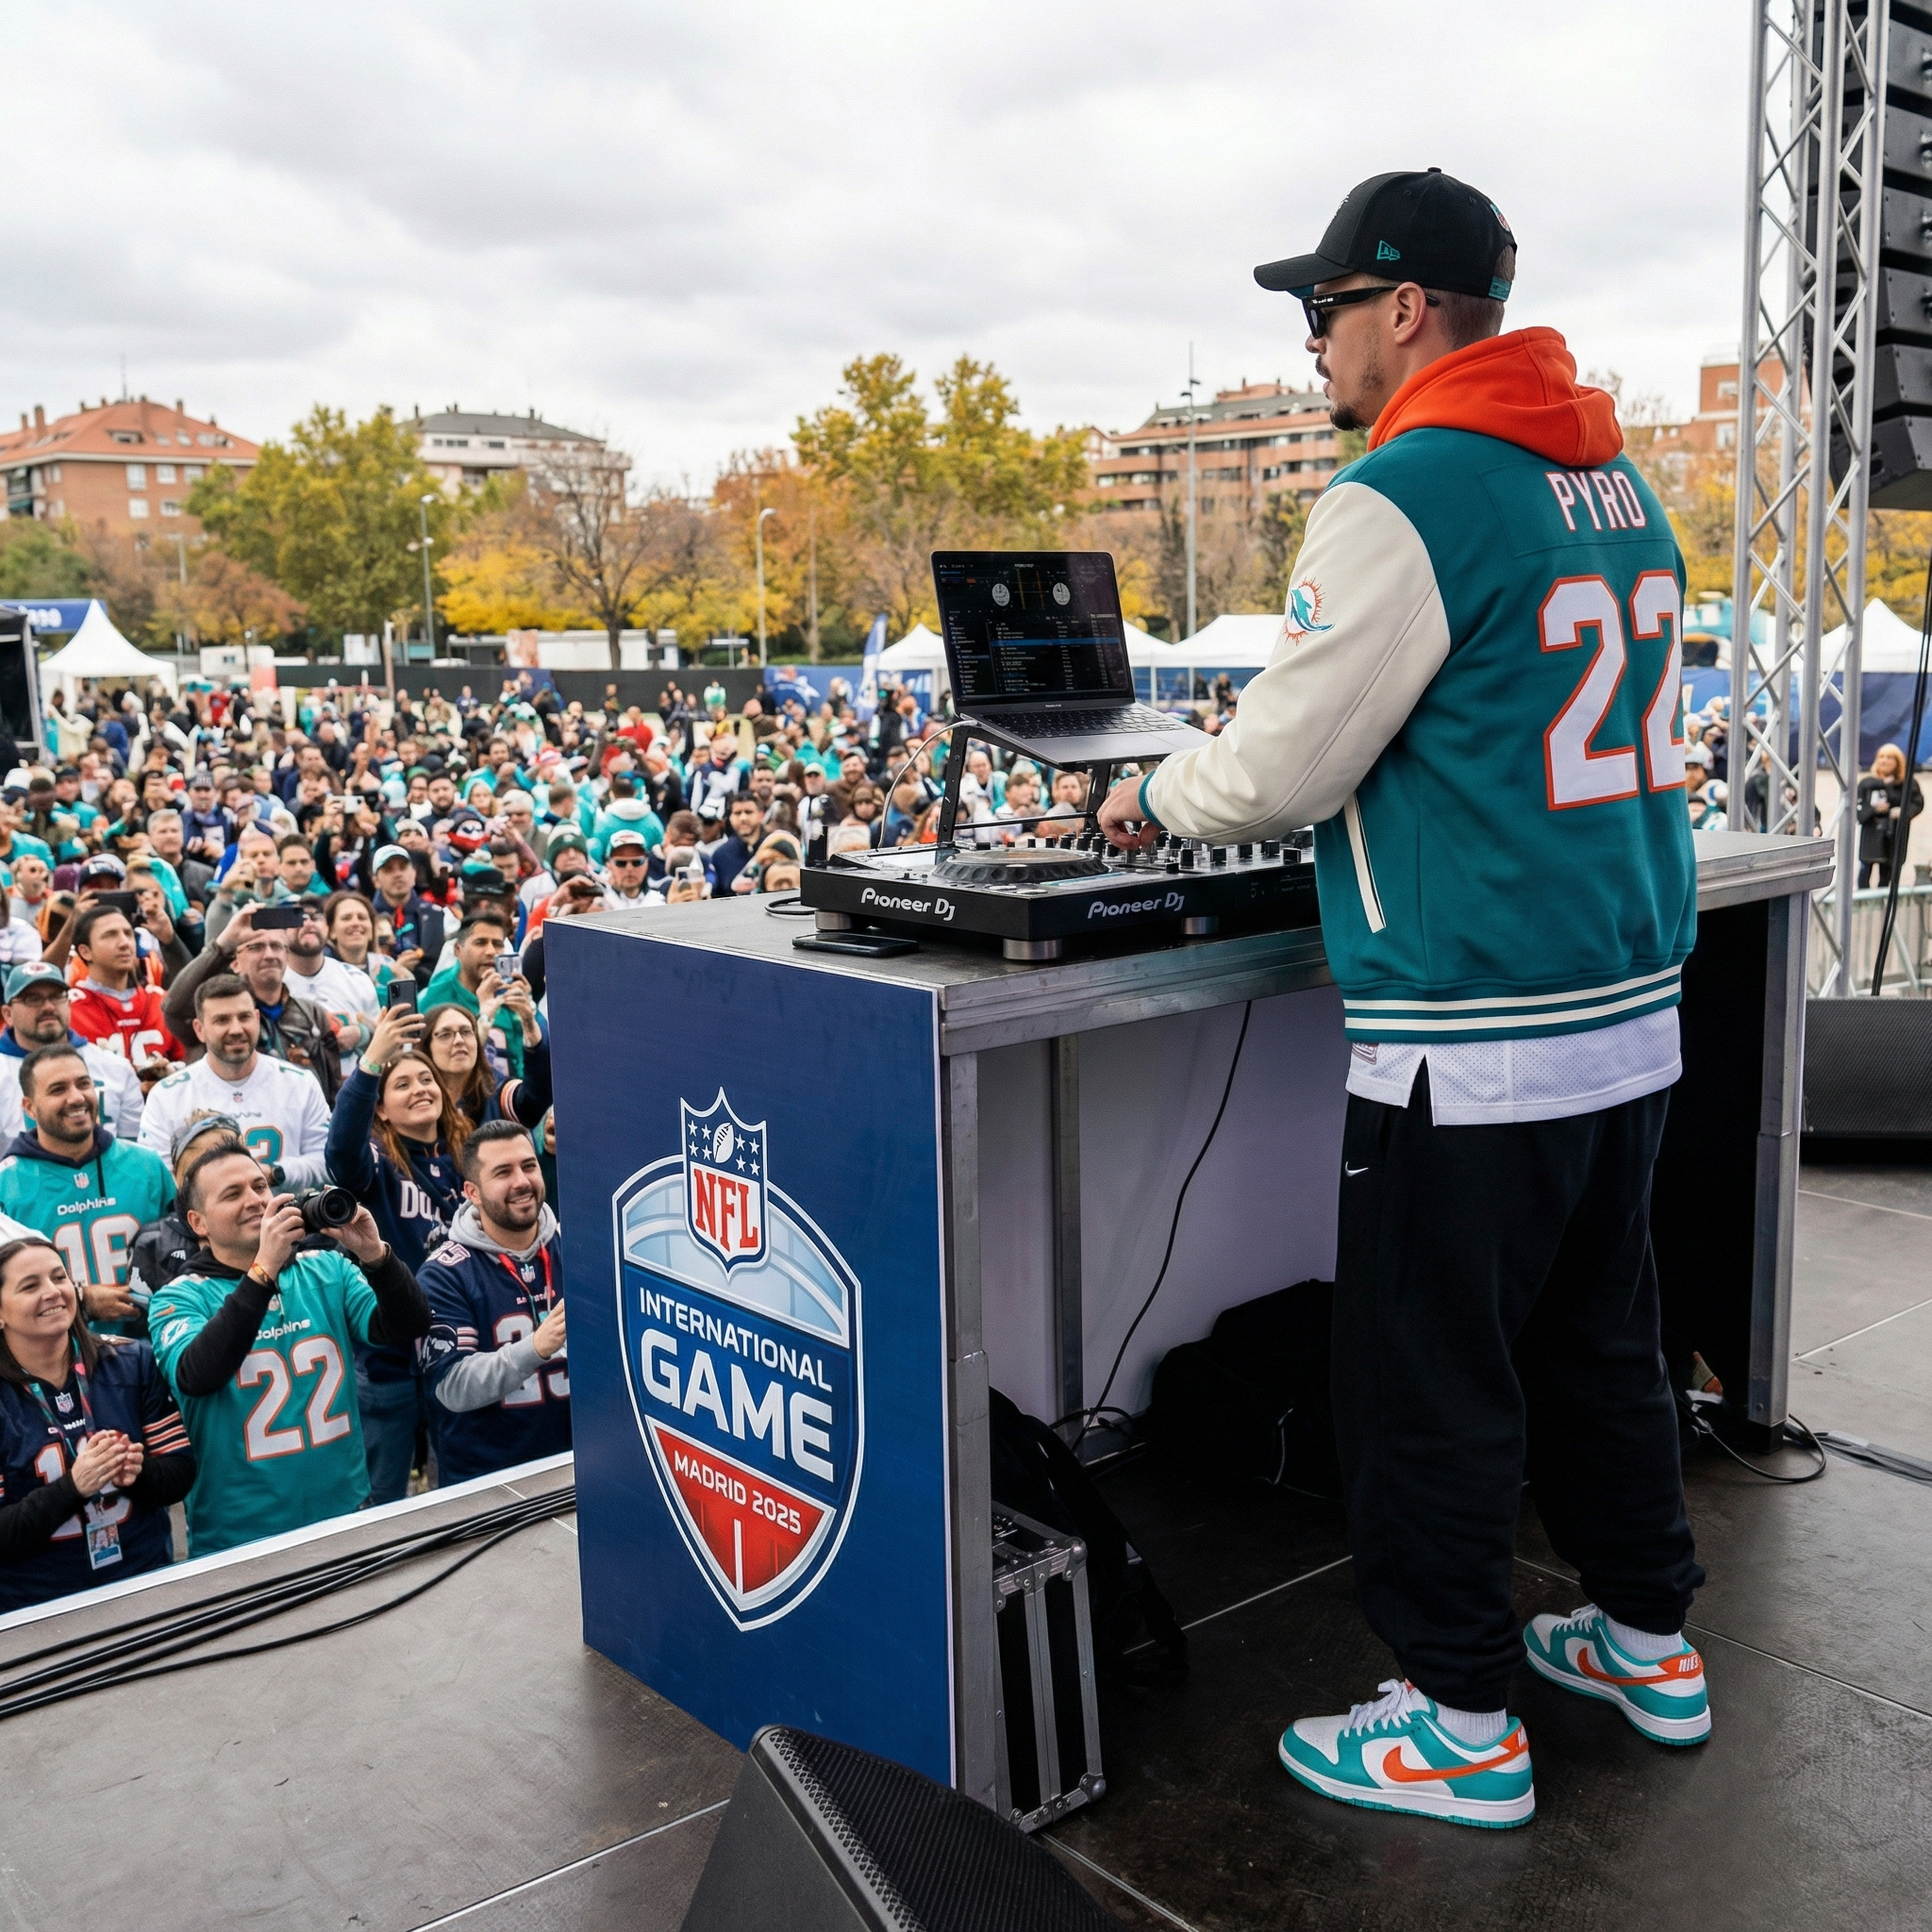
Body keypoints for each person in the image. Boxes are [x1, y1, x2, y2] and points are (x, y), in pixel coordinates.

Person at [1099, 169, 1705, 1829]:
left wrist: (1148, 791)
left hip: (1474, 1031)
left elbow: (1279, 773)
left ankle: (1458, 1721)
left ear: (1409, 311)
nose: (1312, 342)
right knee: (1602, 1344)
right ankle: (1648, 1638)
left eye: (1327, 309)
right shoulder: (1615, 473)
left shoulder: (1401, 491)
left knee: (1427, 1382)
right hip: (1624, 1004)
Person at [149, 1144, 430, 1555]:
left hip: (347, 1515)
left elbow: (408, 1326)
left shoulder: (326, 1268)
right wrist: (263, 1270)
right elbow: (197, 1375)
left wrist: (375, 1254)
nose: (254, 1200)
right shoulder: (178, 1297)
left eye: (259, 1186)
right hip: (240, 1538)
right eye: (232, 1194)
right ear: (198, 1222)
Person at [0, 1235, 195, 1611]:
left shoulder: (131, 1361)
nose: (52, 1292)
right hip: (39, 1612)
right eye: (30, 1286)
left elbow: (181, 1473)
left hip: (144, 1584)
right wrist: (73, 1487)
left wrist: (138, 1473)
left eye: (59, 1277)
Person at [325, 1003, 469, 1501]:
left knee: (458, 1494)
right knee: (383, 1498)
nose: (420, 1089)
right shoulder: (375, 1163)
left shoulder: (468, 1156)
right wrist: (370, 1064)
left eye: (426, 1079)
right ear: (382, 1109)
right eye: (402, 1084)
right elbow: (341, 1152)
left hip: (457, 1352)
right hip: (390, 1363)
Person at [419, 1122, 568, 1484]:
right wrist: (536, 1347)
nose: (521, 1181)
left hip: (579, 1466)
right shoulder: (444, 1273)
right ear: (472, 1192)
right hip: (491, 1482)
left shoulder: (576, 1244)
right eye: (503, 1172)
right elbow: (452, 1387)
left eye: (529, 1166)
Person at [0, 1045, 176, 1339]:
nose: (76, 1097)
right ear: (29, 1108)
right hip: (57, 1351)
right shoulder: (7, 1183)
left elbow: (186, 1252)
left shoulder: (146, 1165)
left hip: (151, 1344)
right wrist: (81, 1299)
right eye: (58, 1089)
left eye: (83, 1084)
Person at [140, 974, 333, 1185]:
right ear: (199, 1029)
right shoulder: (167, 1095)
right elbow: (156, 1177)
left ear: (257, 1019)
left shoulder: (300, 1083)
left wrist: (275, 1173)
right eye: (222, 1020)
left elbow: (329, 1162)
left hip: (289, 1205)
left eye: (244, 1017)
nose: (236, 1029)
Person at [163, 909, 343, 1100]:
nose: (269, 955)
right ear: (235, 963)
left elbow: (333, 1088)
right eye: (256, 947)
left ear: (287, 956)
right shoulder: (216, 1016)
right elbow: (174, 1008)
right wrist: (222, 946)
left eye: (276, 946)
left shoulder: (312, 1013)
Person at [0, 962, 143, 1143]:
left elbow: (133, 1148)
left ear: (69, 1004)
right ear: (8, 1014)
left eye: (57, 996)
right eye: (33, 999)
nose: (48, 1007)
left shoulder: (116, 1068)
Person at [64, 903, 184, 1083]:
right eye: (110, 935)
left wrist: (171, 1073)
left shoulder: (161, 1001)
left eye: (128, 934)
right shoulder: (68, 1008)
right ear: (85, 952)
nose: (125, 943)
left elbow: (190, 1063)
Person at [422, 912, 534, 1081]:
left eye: (497, 944)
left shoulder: (511, 988)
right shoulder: (436, 998)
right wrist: (484, 1014)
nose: (491, 952)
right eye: (480, 943)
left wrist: (530, 1012)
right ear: (458, 950)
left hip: (517, 1091)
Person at [422, 1002, 551, 1132]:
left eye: (466, 1032)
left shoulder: (497, 1090)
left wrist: (530, 1031)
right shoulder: (418, 1096)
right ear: (427, 1047)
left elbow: (533, 1102)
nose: (459, 1040)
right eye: (445, 1034)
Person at [1856, 741, 1924, 887]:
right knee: (1865, 870)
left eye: (1889, 757)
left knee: (1888, 872)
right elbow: (1859, 809)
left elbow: (1917, 803)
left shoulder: (1908, 784)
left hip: (1894, 834)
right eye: (1881, 757)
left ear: (1898, 762)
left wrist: (1903, 812)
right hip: (1871, 835)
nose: (1884, 761)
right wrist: (1874, 810)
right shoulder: (1868, 783)